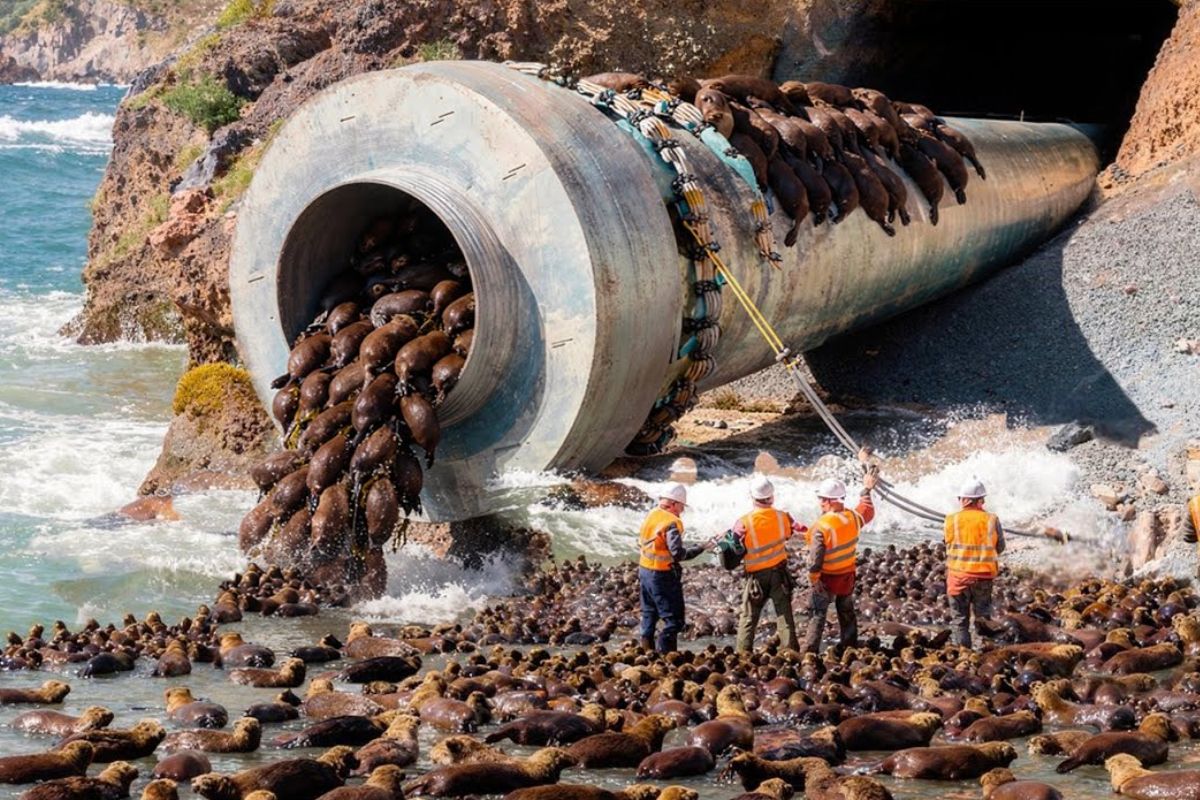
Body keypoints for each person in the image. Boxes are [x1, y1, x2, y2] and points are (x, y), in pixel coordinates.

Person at [727, 476, 808, 652]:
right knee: (784, 614)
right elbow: (801, 530)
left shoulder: (743, 522)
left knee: (749, 617)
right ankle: (790, 651)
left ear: (752, 497)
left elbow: (732, 547)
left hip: (756, 577)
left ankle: (742, 655)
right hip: (779, 573)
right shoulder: (783, 517)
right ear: (772, 497)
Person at [803, 466, 877, 654]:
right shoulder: (852, 517)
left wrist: (814, 579)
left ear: (827, 501)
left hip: (826, 578)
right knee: (846, 611)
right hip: (846, 575)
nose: (819, 502)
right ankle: (849, 646)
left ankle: (809, 652)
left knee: (817, 615)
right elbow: (866, 511)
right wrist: (867, 490)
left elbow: (815, 559)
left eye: (821, 499)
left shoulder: (822, 526)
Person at [637, 482, 709, 653]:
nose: (682, 510)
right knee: (674, 621)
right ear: (674, 504)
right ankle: (667, 657)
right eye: (681, 506)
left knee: (649, 614)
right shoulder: (671, 522)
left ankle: (646, 653)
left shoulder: (653, 514)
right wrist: (701, 548)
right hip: (661, 575)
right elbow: (678, 553)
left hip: (644, 570)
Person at [944, 478, 1006, 648]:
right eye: (983, 499)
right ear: (978, 500)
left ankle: (963, 654)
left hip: (958, 578)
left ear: (963, 500)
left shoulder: (951, 519)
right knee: (983, 618)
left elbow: (947, 545)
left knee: (959, 620)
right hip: (983, 578)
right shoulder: (992, 519)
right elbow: (1000, 547)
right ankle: (985, 653)